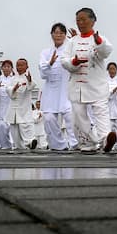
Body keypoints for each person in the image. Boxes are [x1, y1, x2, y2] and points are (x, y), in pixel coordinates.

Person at [60, 7, 117, 153]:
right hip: (77, 86)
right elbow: (64, 60)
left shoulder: (100, 39)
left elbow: (106, 52)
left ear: (92, 21)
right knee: (78, 116)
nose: (80, 23)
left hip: (96, 85)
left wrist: (98, 42)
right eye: (78, 20)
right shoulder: (72, 41)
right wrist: (74, 62)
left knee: (101, 112)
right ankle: (88, 143)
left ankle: (106, 140)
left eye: (83, 19)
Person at [39, 23, 77, 151]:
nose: (58, 35)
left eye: (61, 32)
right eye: (56, 32)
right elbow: (43, 74)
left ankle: (75, 144)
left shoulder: (69, 49)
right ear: (51, 34)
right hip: (51, 90)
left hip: (66, 89)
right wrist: (49, 63)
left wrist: (76, 42)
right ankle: (59, 145)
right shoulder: (45, 53)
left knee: (70, 116)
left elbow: (78, 62)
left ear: (65, 35)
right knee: (49, 118)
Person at [6, 58, 38, 150]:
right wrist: (13, 89)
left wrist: (30, 81)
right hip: (13, 108)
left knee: (25, 125)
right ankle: (19, 146)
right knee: (14, 129)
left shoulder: (28, 78)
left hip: (24, 107)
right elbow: (7, 89)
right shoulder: (12, 79)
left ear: (26, 66)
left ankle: (30, 142)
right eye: (17, 65)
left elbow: (31, 86)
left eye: (21, 65)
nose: (19, 67)